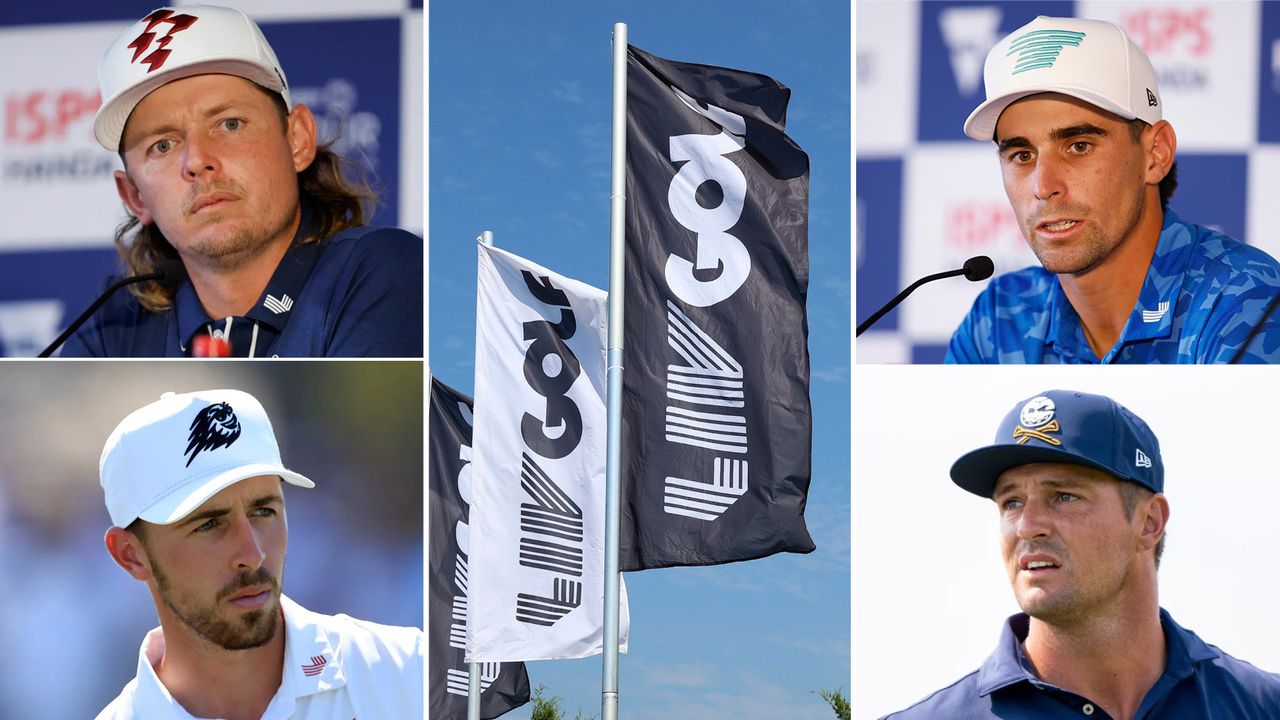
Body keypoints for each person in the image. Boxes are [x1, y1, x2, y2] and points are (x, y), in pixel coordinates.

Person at [885, 389, 1280, 719]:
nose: (1027, 526)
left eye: (1064, 496)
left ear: (1149, 522)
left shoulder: (1263, 706)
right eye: (1011, 502)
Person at [62, 5, 422, 357]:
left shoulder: (383, 269)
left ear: (297, 139)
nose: (198, 161)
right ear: (135, 196)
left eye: (229, 124)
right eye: (163, 145)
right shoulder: (112, 328)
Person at [946, 16, 1280, 364]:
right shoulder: (1001, 319)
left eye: (1078, 146)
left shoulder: (1245, 300)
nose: (1043, 187)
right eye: (1022, 155)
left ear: (1156, 153)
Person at [96, 389, 423, 719]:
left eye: (264, 511)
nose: (253, 554)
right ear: (131, 555)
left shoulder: (413, 673)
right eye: (209, 524)